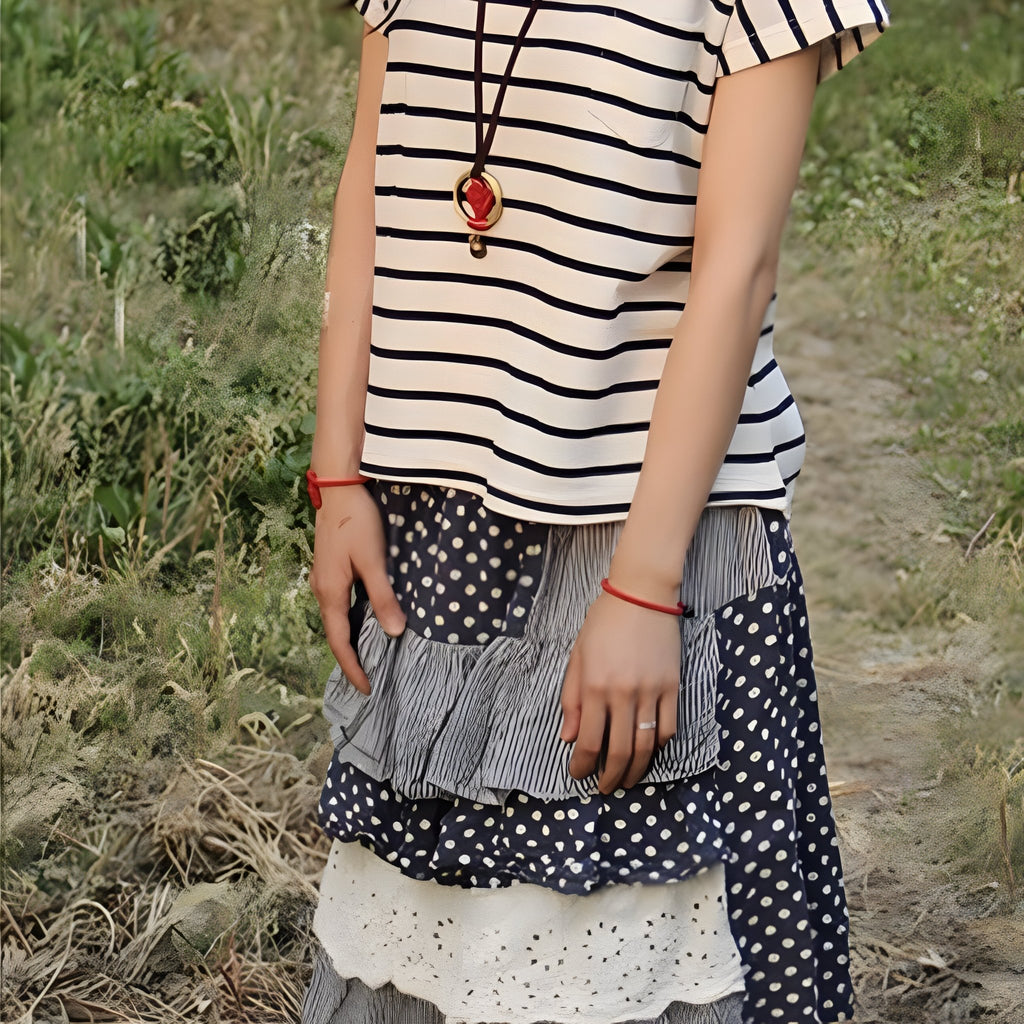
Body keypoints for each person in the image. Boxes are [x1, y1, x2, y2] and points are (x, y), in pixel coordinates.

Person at [300, 1, 891, 1022]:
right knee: (429, 942)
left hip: (652, 518)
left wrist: (643, 584)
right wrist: (338, 471)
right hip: (438, 517)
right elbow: (371, 178)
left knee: (638, 949)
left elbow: (737, 266)